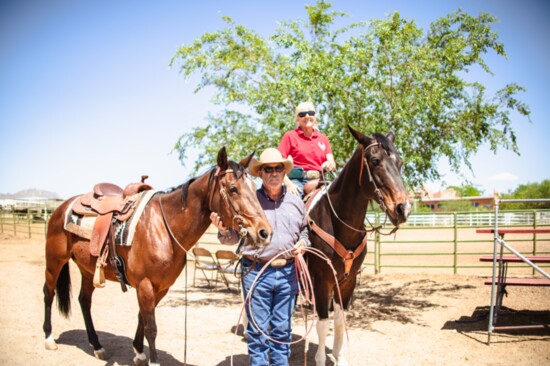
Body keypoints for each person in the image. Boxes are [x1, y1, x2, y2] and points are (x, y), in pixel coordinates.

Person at [210, 147, 310, 366]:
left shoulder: (295, 201)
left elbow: (304, 231)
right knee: (257, 332)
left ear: (284, 172)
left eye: (278, 168)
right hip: (256, 272)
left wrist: (303, 243)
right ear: (261, 174)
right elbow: (233, 236)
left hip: (287, 273)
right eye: (268, 169)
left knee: (282, 331)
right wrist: (224, 231)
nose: (273, 173)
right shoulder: (250, 200)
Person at [278, 101, 336, 196]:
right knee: (293, 201)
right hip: (298, 181)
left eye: (311, 113)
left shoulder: (323, 138)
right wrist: (288, 184)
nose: (307, 116)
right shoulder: (290, 136)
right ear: (297, 119)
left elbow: (332, 163)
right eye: (302, 114)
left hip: (321, 181)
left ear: (315, 117)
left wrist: (329, 164)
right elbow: (278, 163)